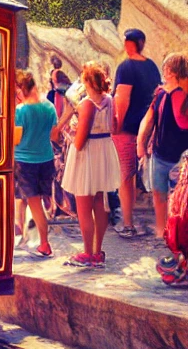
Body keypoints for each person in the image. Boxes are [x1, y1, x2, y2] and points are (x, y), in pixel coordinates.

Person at [60, 62, 120, 268]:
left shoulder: (87, 104)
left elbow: (80, 141)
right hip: (104, 150)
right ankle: (98, 251)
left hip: (87, 155)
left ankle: (87, 253)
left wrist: (69, 131)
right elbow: (115, 126)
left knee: (84, 205)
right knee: (100, 202)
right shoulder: (110, 100)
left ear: (87, 81)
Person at [112, 28, 161, 238]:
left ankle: (128, 223)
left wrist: (117, 124)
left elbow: (122, 98)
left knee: (126, 176)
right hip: (148, 128)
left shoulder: (126, 67)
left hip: (128, 129)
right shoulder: (152, 67)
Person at [136, 52, 188, 237]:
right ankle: (162, 231)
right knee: (159, 195)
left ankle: (176, 235)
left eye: (167, 70)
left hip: (182, 159)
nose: (164, 74)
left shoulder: (184, 94)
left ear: (173, 72)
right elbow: (148, 120)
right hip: (160, 154)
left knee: (179, 201)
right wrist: (140, 143)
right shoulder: (160, 94)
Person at [14, 70, 57, 258]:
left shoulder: (21, 111)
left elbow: (16, 139)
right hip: (46, 159)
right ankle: (22, 235)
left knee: (33, 204)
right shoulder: (49, 106)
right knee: (34, 201)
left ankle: (44, 243)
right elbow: (54, 135)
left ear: (20, 88)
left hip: (25, 162)